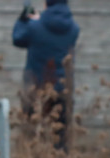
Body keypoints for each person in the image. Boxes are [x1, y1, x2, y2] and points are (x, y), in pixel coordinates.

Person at [12, 0, 80, 146]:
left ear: (46, 4)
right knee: (61, 135)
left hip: (35, 86)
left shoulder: (34, 26)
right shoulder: (74, 28)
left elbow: (18, 39)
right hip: (62, 87)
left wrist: (24, 20)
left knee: (32, 131)